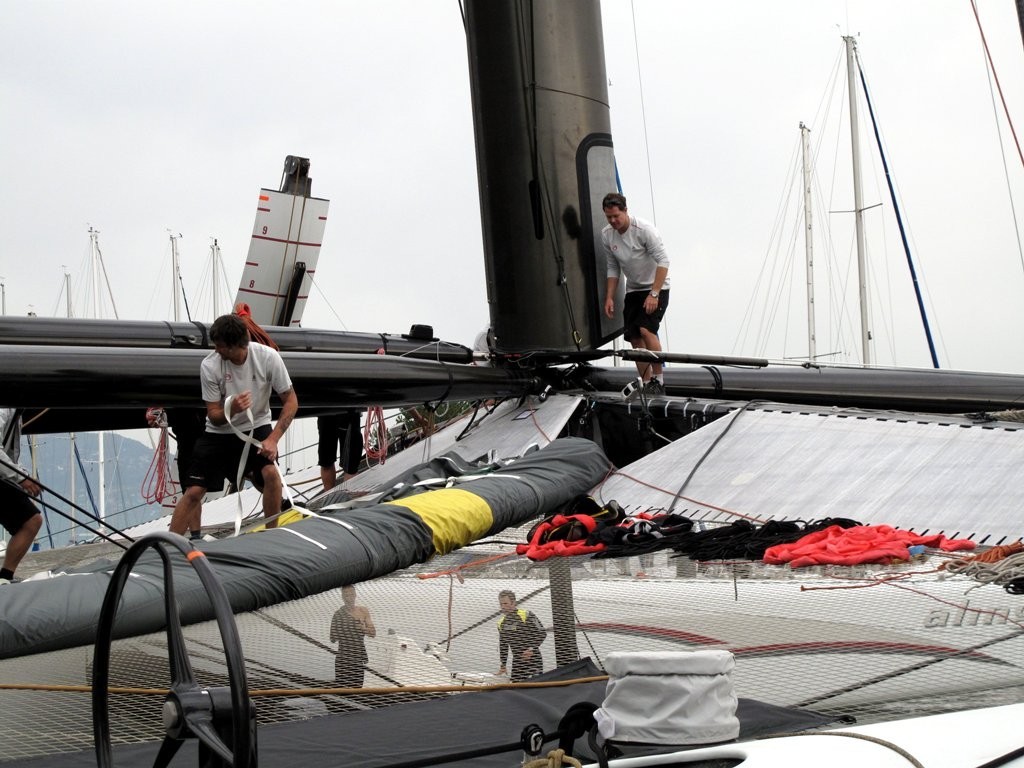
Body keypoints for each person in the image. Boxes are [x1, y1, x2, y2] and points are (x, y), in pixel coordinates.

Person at [168, 313, 298, 538]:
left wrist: (273, 439)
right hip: (218, 431)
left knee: (271, 474)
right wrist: (232, 408)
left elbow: (291, 401)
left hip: (257, 424)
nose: (216, 350)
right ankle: (167, 546)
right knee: (194, 490)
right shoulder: (209, 365)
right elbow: (214, 414)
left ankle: (272, 537)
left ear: (237, 345)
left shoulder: (268, 358)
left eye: (220, 346)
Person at [601, 192, 671, 395]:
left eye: (616, 216)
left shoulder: (644, 230)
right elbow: (613, 267)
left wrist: (655, 293)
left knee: (646, 329)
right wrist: (609, 297)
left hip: (656, 287)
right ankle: (647, 382)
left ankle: (659, 379)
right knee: (633, 337)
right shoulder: (607, 234)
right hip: (634, 289)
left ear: (625, 211)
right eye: (609, 217)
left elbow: (664, 261)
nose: (613, 221)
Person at [0, 408, 43, 584]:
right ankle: (4, 578)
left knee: (31, 521)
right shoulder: (4, 408)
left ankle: (4, 578)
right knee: (32, 521)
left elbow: (8, 455)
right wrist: (20, 478)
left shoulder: (15, 410)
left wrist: (20, 477)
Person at [330, 584, 376, 688]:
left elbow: (373, 633)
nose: (348, 597)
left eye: (351, 594)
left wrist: (362, 628)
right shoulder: (338, 614)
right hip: (343, 658)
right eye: (346, 595)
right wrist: (344, 628)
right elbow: (332, 638)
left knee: (357, 688)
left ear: (355, 595)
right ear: (342, 597)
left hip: (358, 656)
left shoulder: (363, 611)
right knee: (342, 690)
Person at [497, 589, 546, 682]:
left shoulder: (526, 615)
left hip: (533, 660)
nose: (503, 607)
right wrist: (503, 665)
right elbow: (503, 645)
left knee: (535, 690)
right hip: (517, 664)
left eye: (505, 604)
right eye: (501, 604)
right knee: (516, 690)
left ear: (513, 603)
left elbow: (542, 633)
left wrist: (531, 649)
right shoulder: (501, 623)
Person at [317, 410, 363, 490]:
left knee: (349, 467)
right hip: (334, 410)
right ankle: (331, 497)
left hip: (328, 409)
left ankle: (334, 498)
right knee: (327, 462)